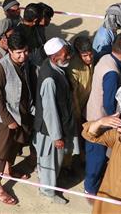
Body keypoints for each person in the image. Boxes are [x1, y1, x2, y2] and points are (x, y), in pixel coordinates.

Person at [0, 31, 34, 205]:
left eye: (25, 51)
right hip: (6, 119)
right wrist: (9, 120)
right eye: (19, 53)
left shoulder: (27, 63)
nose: (23, 55)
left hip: (22, 113)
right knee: (0, 151)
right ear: (10, 51)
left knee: (15, 145)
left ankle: (8, 170)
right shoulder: (0, 68)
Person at [85, 32, 121, 196]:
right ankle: (90, 188)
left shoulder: (106, 58)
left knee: (93, 153)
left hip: (91, 113)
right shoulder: (112, 73)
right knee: (97, 157)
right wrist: (118, 121)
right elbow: (109, 104)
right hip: (100, 120)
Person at [34, 37, 76, 205]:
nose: (68, 57)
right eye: (65, 54)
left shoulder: (52, 67)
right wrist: (57, 136)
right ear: (54, 56)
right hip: (50, 130)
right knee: (51, 161)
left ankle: (45, 183)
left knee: (46, 160)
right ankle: (48, 191)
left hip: (53, 127)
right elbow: (50, 111)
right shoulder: (50, 79)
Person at [68, 35, 94, 125]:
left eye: (90, 54)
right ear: (77, 54)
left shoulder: (92, 60)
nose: (89, 58)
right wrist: (78, 115)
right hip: (77, 110)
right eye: (85, 55)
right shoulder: (74, 68)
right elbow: (73, 95)